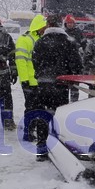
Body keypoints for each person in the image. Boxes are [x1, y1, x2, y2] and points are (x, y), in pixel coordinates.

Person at [31, 14, 83, 161]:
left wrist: (42, 74)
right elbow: (77, 64)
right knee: (58, 116)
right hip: (61, 85)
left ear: (47, 25)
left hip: (43, 84)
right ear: (61, 24)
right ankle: (58, 149)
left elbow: (35, 61)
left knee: (43, 114)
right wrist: (71, 75)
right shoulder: (68, 42)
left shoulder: (40, 42)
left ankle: (41, 149)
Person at [15, 14, 47, 142]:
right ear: (38, 27)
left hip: (39, 80)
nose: (44, 29)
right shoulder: (25, 40)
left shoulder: (42, 39)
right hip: (29, 81)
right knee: (30, 108)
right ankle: (28, 133)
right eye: (43, 27)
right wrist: (24, 80)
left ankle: (33, 130)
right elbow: (20, 61)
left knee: (38, 108)